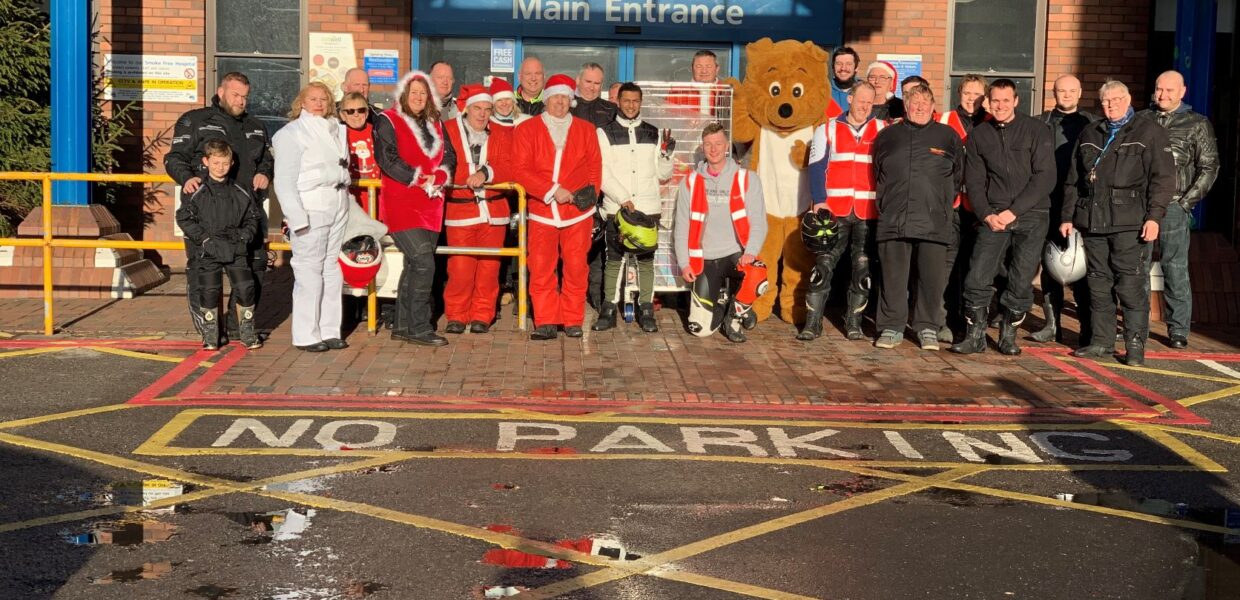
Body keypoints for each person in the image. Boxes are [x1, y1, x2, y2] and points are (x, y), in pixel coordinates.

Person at [1061, 80, 1175, 367]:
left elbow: (1163, 180)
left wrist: (1154, 217)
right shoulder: (1090, 132)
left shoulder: (1149, 131)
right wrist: (1067, 216)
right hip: (1093, 221)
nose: (1110, 105)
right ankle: (1101, 341)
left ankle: (1135, 345)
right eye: (1105, 101)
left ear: (1128, 99)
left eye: (1116, 99)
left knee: (1130, 285)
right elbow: (1074, 180)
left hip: (1130, 223)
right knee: (1098, 284)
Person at [164, 72, 273, 342]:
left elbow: (267, 160)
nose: (241, 101)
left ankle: (239, 326)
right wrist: (187, 177)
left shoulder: (256, 125)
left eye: (245, 97)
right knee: (204, 275)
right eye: (236, 95)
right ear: (221, 92)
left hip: (247, 213)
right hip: (207, 215)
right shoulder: (196, 120)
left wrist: (265, 173)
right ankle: (211, 330)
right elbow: (174, 158)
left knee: (254, 269)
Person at [951, 79, 1056, 356]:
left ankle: (1008, 336)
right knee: (977, 276)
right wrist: (987, 213)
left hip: (1031, 215)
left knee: (1021, 280)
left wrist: (1014, 211)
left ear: (1016, 101)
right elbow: (974, 180)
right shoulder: (979, 134)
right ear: (988, 102)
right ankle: (975, 336)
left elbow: (1045, 177)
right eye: (995, 100)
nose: (1000, 105)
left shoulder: (1037, 130)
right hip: (993, 217)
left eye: (1005, 100)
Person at [871, 83, 964, 350]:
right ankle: (891, 327)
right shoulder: (888, 136)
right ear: (906, 106)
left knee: (931, 279)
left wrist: (941, 202)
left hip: (934, 219)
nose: (920, 106)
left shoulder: (948, 136)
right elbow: (877, 172)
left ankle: (927, 328)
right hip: (894, 218)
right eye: (914, 102)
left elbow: (958, 175)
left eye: (925, 102)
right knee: (893, 277)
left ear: (933, 106)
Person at [513, 74, 603, 340]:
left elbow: (595, 168)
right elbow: (520, 169)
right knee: (541, 266)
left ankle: (573, 318)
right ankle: (546, 320)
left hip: (578, 212)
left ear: (571, 100)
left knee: (576, 266)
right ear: (547, 99)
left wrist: (589, 197)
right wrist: (552, 191)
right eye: (555, 97)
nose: (560, 102)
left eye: (565, 97)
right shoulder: (527, 130)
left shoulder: (586, 129)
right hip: (543, 209)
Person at [374, 70, 458, 347]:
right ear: (404, 94)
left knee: (414, 265)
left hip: (432, 204)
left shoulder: (436, 122)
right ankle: (420, 326)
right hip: (402, 203)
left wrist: (442, 176)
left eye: (424, 92)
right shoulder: (388, 120)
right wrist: (420, 178)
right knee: (423, 261)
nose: (419, 97)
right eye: (414, 92)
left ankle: (403, 325)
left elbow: (449, 155)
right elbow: (388, 160)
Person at [1139, 70, 1219, 349]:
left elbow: (1209, 168)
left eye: (1169, 91)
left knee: (1175, 269)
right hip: (1141, 205)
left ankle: (1178, 330)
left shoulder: (1197, 123)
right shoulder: (1141, 119)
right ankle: (1138, 326)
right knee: (1137, 267)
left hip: (1174, 206)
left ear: (1182, 92)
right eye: (1159, 89)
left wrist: (1186, 203)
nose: (1162, 95)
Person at [272, 82, 353, 352]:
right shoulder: (291, 133)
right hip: (311, 206)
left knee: (332, 267)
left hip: (338, 203)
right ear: (302, 102)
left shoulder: (337, 129)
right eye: (313, 98)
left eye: (324, 99)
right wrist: (296, 218)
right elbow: (283, 181)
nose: (319, 103)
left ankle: (330, 329)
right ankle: (306, 334)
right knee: (308, 269)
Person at [800, 81, 885, 341]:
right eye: (861, 100)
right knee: (822, 267)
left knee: (862, 271)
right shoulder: (826, 129)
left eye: (870, 102)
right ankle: (812, 323)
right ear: (849, 99)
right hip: (833, 212)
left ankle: (853, 322)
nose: (864, 106)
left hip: (867, 211)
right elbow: (816, 166)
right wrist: (819, 200)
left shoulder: (883, 129)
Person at [674, 123, 768, 343]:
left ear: (727, 146)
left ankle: (734, 317)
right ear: (702, 147)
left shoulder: (747, 179)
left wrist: (751, 252)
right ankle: (727, 303)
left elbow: (759, 223)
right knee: (699, 330)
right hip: (705, 258)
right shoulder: (691, 182)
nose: (713, 149)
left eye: (718, 144)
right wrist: (684, 263)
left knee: (759, 275)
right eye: (708, 144)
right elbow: (681, 227)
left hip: (736, 254)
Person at [594, 82, 674, 333]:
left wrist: (666, 155)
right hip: (617, 209)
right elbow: (602, 171)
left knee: (646, 261)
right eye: (626, 100)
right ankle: (609, 308)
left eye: (635, 101)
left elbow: (663, 174)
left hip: (648, 208)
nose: (630, 106)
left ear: (641, 102)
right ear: (618, 101)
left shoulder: (653, 132)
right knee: (614, 259)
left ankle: (646, 308)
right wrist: (623, 197)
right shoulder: (604, 132)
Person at [175, 140, 262, 351]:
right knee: (209, 291)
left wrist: (244, 237)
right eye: (215, 163)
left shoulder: (241, 190)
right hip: (209, 249)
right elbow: (184, 218)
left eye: (224, 163)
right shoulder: (197, 189)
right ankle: (211, 334)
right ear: (206, 162)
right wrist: (203, 240)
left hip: (236, 248)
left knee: (245, 288)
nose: (220, 167)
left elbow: (253, 218)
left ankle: (247, 332)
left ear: (231, 163)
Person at [1032, 74, 1099, 344]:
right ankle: (1052, 324)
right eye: (1061, 91)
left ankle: (1085, 327)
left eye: (1072, 90)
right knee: (1050, 265)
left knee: (1081, 265)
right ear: (1053, 93)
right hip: (1047, 202)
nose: (1067, 95)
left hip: (1081, 203)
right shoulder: (1040, 123)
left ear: (1080, 92)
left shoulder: (1093, 123)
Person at [442, 84, 513, 335]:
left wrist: (486, 173)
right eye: (477, 109)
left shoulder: (503, 134)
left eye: (487, 109)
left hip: (494, 212)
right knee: (460, 267)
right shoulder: (448, 131)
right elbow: (442, 164)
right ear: (466, 110)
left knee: (489, 268)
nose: (482, 115)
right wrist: (469, 175)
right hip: (460, 212)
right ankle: (457, 315)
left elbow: (511, 164)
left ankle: (483, 314)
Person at [939, 73, 991, 342]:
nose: (972, 99)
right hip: (952, 204)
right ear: (959, 94)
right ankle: (945, 320)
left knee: (975, 265)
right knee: (949, 262)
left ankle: (971, 320)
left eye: (978, 94)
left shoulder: (992, 122)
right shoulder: (944, 120)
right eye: (967, 93)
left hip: (982, 206)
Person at [339, 92, 379, 214]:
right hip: (350, 197)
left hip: (376, 194)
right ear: (342, 115)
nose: (356, 114)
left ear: (366, 113)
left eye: (361, 110)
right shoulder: (338, 134)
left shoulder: (378, 132)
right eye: (350, 111)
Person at [571, 62, 618, 128]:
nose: (592, 87)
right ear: (578, 80)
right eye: (588, 81)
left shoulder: (611, 109)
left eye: (597, 83)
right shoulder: (566, 107)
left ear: (601, 85)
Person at [827, 46, 860, 119]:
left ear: (856, 68)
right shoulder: (823, 91)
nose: (843, 68)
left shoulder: (864, 91)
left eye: (848, 64)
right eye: (838, 64)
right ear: (832, 67)